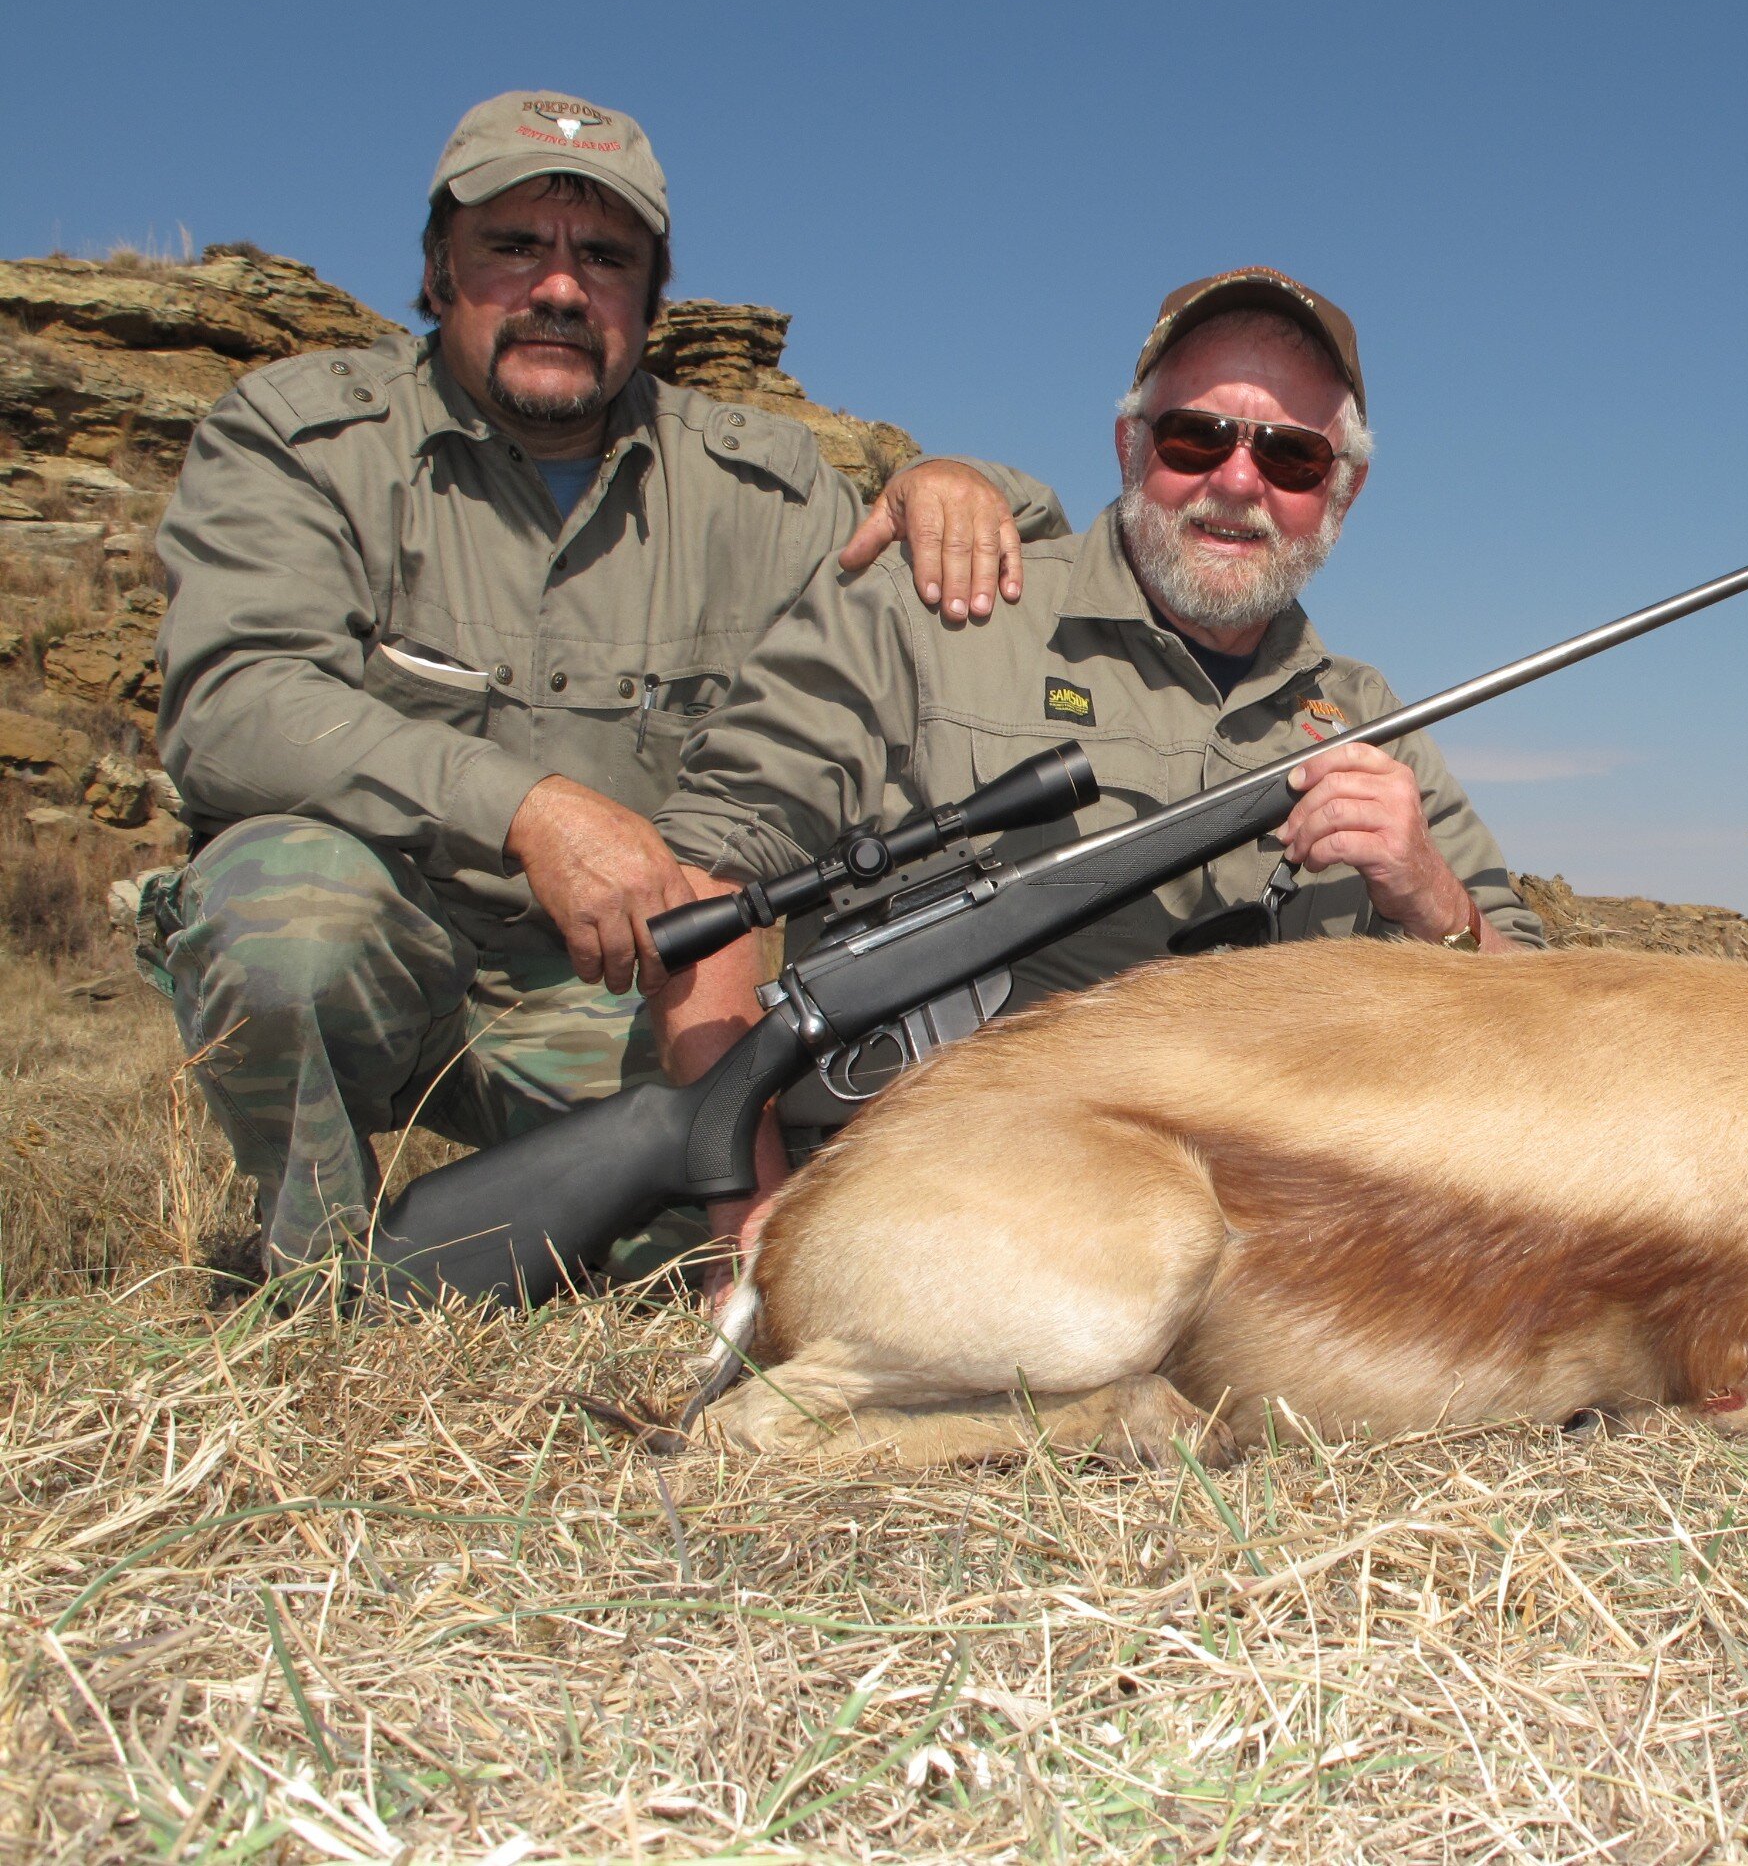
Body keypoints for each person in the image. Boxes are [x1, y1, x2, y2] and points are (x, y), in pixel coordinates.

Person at [150, 91, 1066, 1273]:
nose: (561, 289)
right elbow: (231, 706)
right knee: (285, 917)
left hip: (627, 995)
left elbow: (993, 562)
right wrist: (528, 810)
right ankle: (319, 1278)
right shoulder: (297, 437)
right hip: (386, 946)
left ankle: (571, 1237)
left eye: (605, 258)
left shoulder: (767, 488)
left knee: (752, 1192)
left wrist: (958, 478)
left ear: (653, 295)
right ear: (438, 271)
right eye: (514, 247)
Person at [653, 267, 1544, 1194]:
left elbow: (1544, 1017)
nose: (1237, 482)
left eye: (1291, 458)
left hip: (1242, 1238)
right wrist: (742, 1214)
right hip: (900, 1207)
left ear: (1343, 492)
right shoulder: (930, 610)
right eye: (1195, 436)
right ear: (1129, 445)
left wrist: (1438, 906)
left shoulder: (1374, 726)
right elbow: (708, 878)